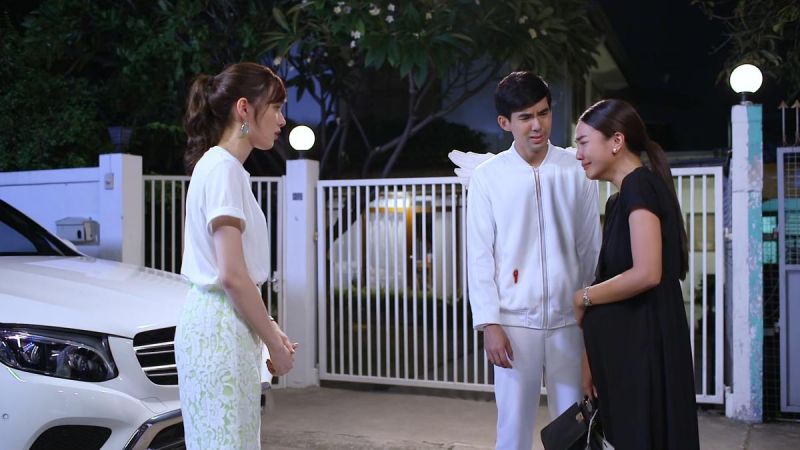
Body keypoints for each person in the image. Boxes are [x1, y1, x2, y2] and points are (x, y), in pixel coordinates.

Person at [466, 71, 602, 450]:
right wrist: (489, 322)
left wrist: (593, 316)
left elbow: (591, 247)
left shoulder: (576, 169)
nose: (537, 125)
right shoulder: (488, 177)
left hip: (570, 320)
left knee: (575, 428)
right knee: (512, 430)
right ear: (504, 122)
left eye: (543, 113)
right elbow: (479, 255)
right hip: (513, 324)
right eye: (525, 117)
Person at [174, 62, 297, 449]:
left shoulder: (222, 168)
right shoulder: (223, 169)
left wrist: (269, 328)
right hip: (219, 331)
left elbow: (234, 274)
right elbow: (232, 274)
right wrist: (274, 343)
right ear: (244, 108)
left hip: (222, 325)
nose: (282, 120)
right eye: (276, 107)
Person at [573, 99, 700, 449]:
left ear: (616, 141)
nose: (578, 154)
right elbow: (614, 277)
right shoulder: (619, 200)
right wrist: (591, 357)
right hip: (624, 356)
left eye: (583, 143)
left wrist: (582, 297)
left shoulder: (640, 187)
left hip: (643, 355)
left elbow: (646, 273)